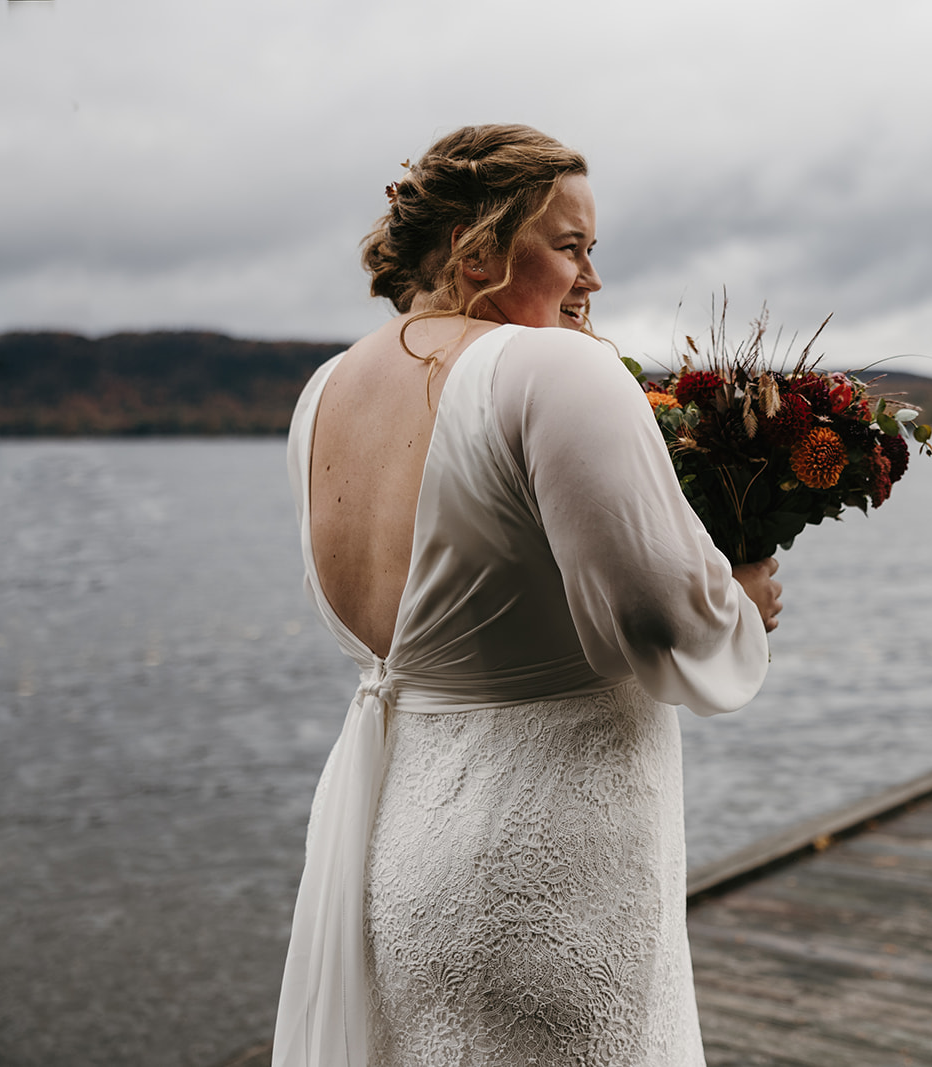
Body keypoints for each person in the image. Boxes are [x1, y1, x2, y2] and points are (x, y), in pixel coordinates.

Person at [272, 124, 780, 1067]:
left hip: (401, 841)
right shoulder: (555, 368)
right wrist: (741, 601)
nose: (592, 279)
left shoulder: (326, 390)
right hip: (553, 869)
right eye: (571, 247)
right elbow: (659, 616)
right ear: (479, 247)